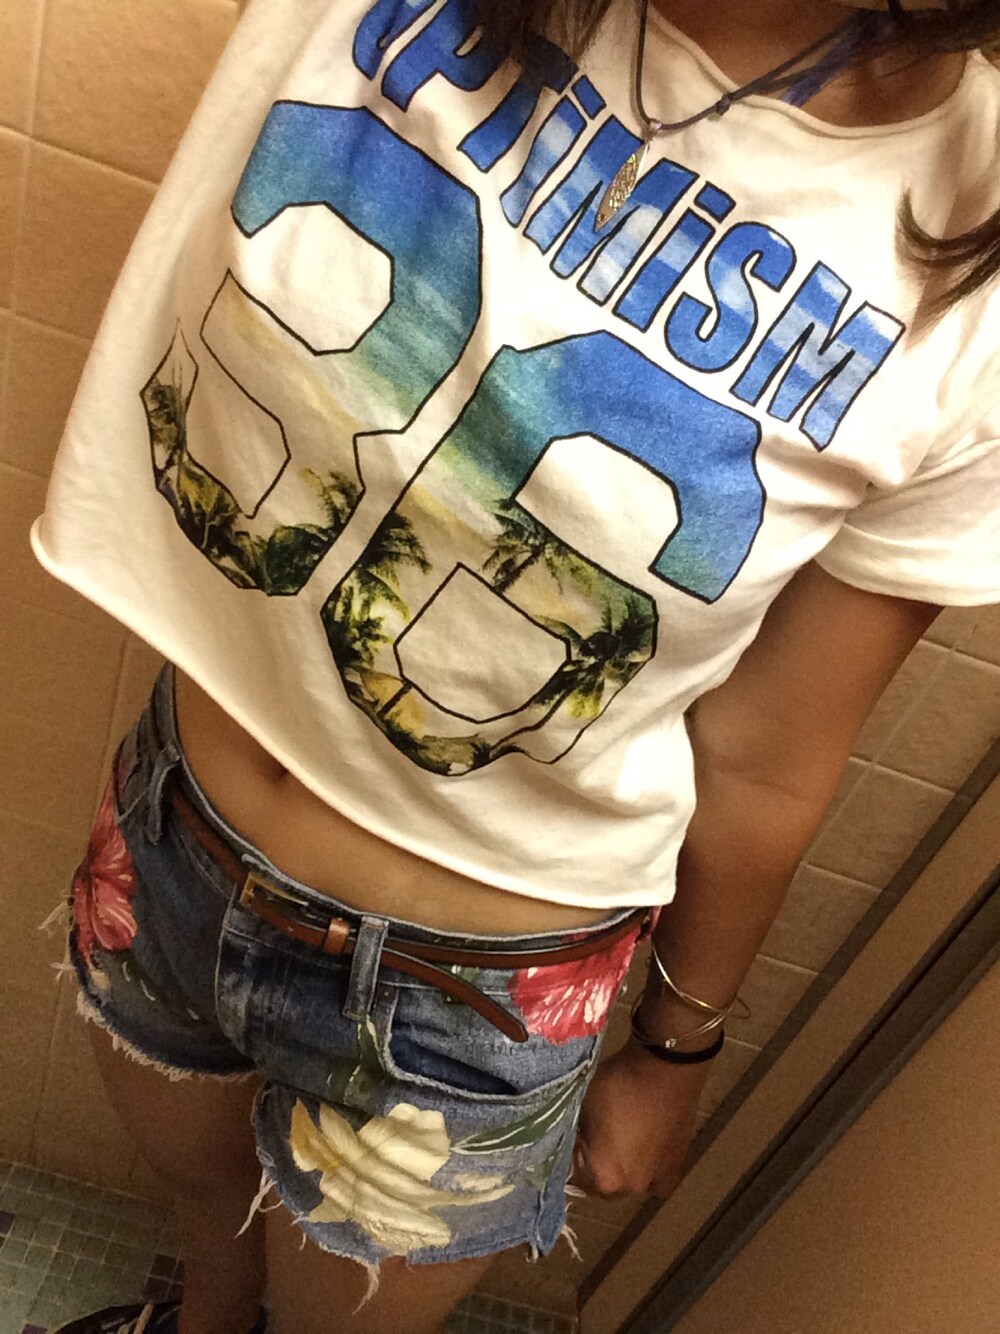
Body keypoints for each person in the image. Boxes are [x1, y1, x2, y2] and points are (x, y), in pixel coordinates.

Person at [32, 0, 1000, 1330]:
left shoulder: (974, 285)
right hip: (174, 825)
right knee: (203, 1228)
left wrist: (672, 1052)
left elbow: (770, 757)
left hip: (473, 993)